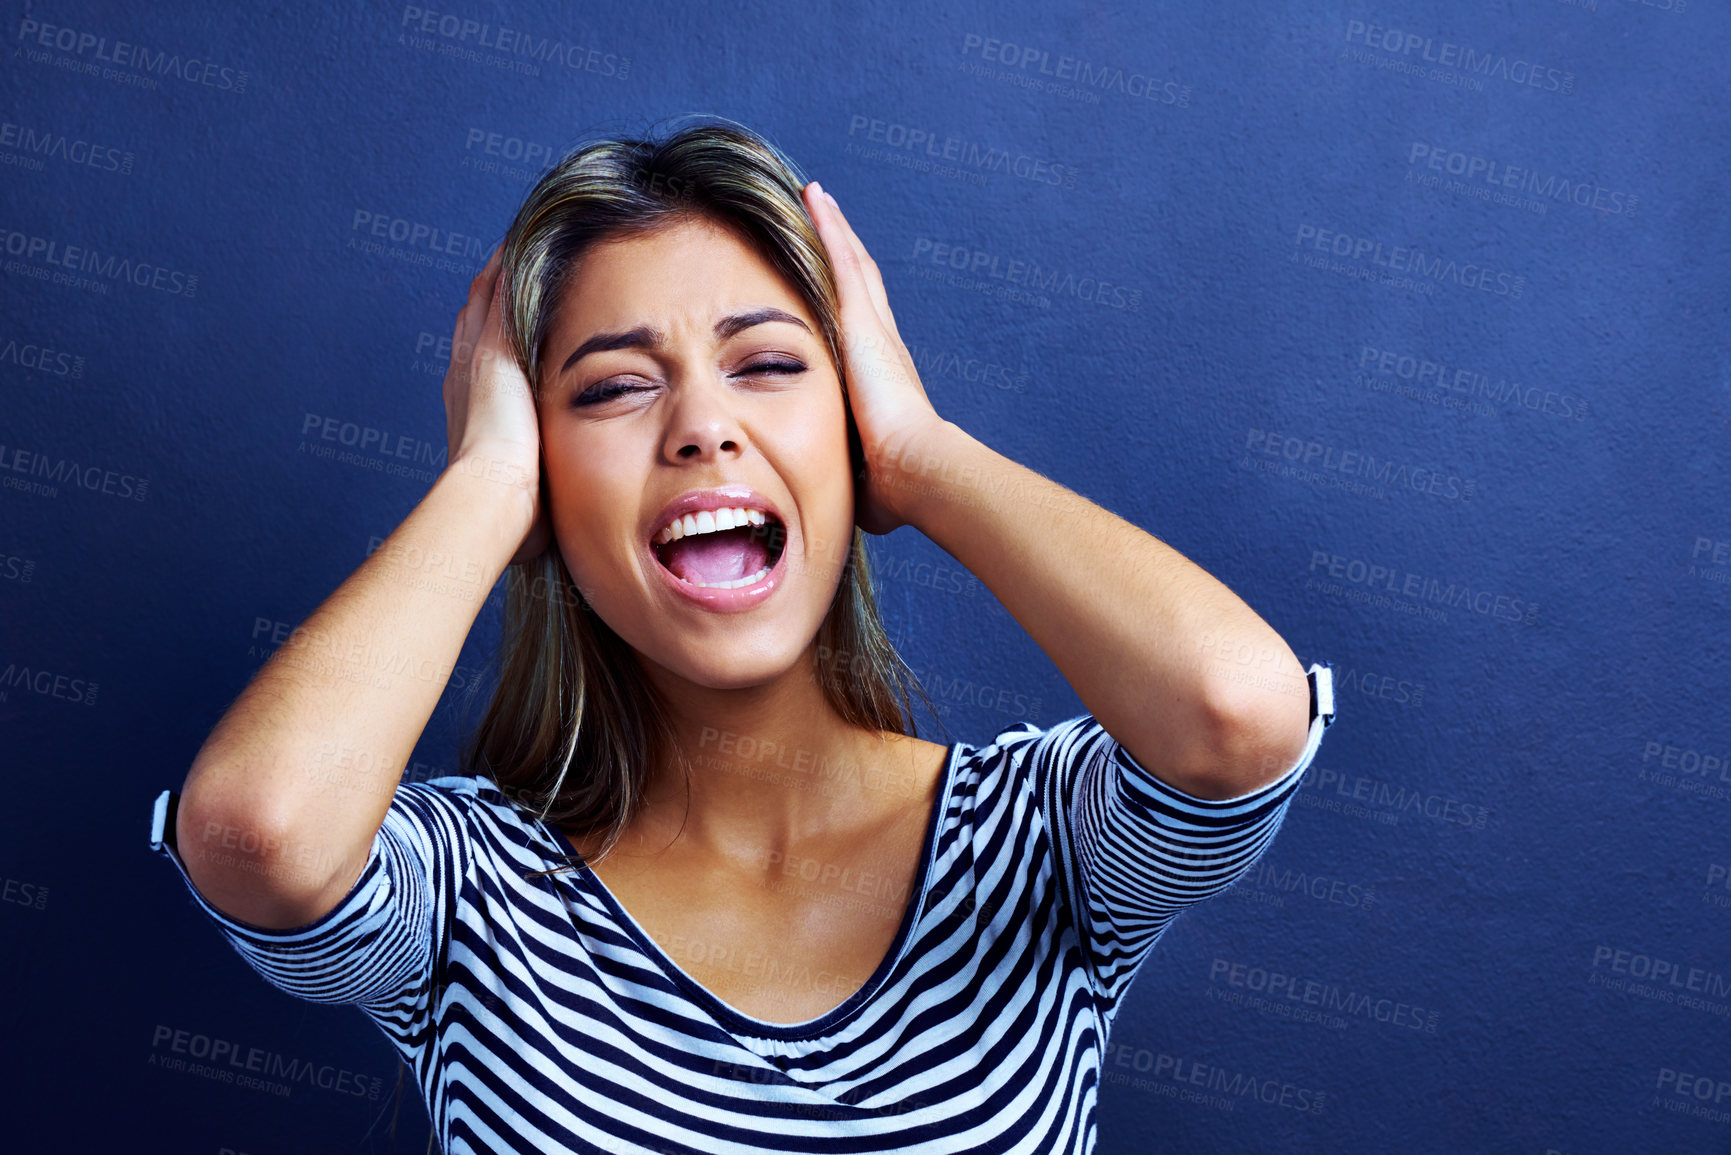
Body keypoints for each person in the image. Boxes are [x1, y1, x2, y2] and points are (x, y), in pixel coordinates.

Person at [148, 116, 1337, 1153]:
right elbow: (260, 833)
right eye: (613, 388)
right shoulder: (472, 893)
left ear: (851, 424)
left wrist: (922, 455)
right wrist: (488, 484)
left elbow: (1236, 715)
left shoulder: (1037, 842)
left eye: (767, 364)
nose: (702, 427)